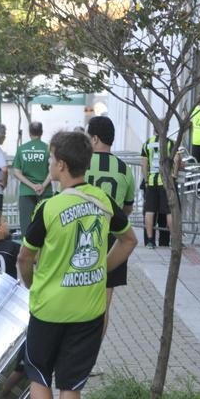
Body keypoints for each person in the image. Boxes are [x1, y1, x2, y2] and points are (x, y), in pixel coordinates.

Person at [18, 131, 137, 399]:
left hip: (48, 308)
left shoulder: (49, 207)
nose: (51, 164)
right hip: (87, 310)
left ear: (62, 165)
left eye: (53, 159)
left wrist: (30, 282)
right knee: (71, 386)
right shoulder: (102, 201)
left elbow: (26, 256)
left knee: (38, 374)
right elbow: (129, 240)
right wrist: (101, 271)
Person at [86, 116, 135, 337]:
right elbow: (127, 208)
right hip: (113, 240)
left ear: (94, 138)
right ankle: (92, 359)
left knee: (78, 299)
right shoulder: (124, 168)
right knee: (103, 304)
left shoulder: (82, 163)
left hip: (82, 236)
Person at [11, 121, 53, 236]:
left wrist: (32, 186)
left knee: (27, 225)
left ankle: (27, 251)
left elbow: (16, 172)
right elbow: (53, 170)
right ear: (42, 132)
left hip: (26, 191)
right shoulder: (48, 149)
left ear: (29, 133)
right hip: (45, 192)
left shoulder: (21, 149)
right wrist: (43, 185)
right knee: (46, 224)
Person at [140, 133, 175, 249]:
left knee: (149, 211)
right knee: (169, 212)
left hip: (151, 182)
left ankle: (150, 240)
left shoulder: (147, 143)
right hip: (165, 182)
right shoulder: (170, 142)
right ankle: (174, 240)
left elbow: (143, 164)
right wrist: (174, 175)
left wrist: (146, 181)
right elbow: (177, 159)